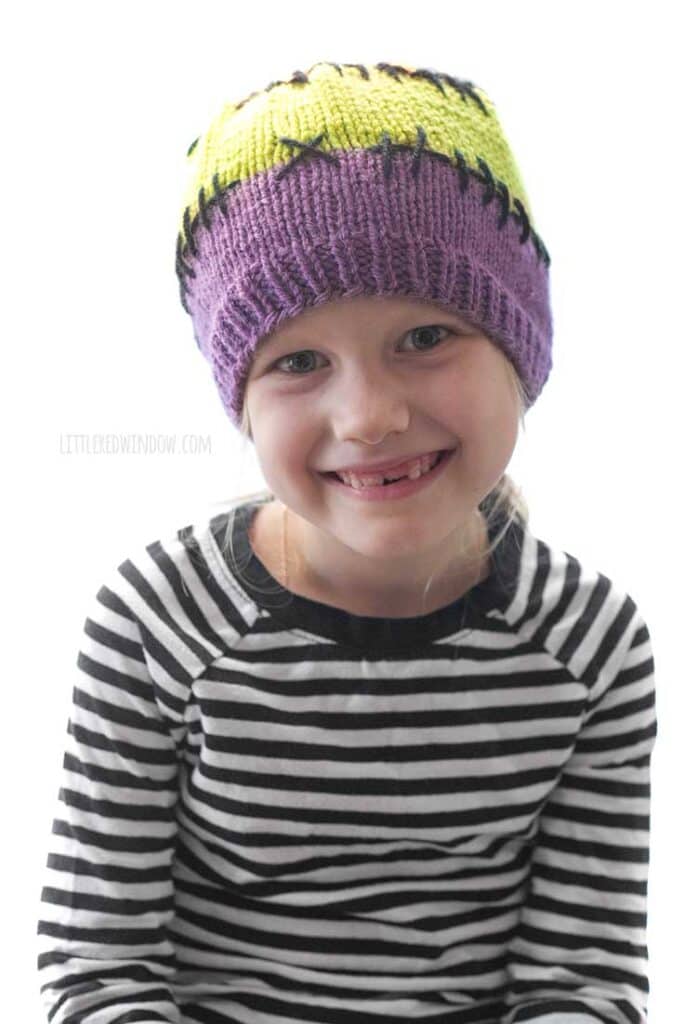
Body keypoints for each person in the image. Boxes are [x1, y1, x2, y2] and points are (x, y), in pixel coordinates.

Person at [36, 60, 657, 1024]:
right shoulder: (157, 622)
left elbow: (581, 976)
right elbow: (100, 968)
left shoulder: (590, 644)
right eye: (297, 360)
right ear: (243, 403)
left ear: (521, 350)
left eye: (425, 338)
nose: (367, 416)